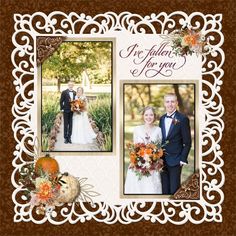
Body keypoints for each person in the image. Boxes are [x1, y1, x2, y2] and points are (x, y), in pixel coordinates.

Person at [124, 107, 162, 194]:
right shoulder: (137, 129)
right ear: (143, 116)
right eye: (146, 115)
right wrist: (134, 161)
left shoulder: (158, 130)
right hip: (138, 163)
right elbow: (135, 148)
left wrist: (153, 161)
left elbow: (159, 149)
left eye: (151, 115)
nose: (149, 117)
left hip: (152, 165)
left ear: (154, 116)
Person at [159, 93, 191, 194]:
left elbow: (187, 142)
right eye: (167, 102)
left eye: (172, 101)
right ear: (164, 103)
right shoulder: (162, 119)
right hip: (162, 160)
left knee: (174, 190)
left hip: (176, 160)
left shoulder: (182, 119)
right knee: (164, 190)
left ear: (176, 103)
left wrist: (182, 159)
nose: (170, 104)